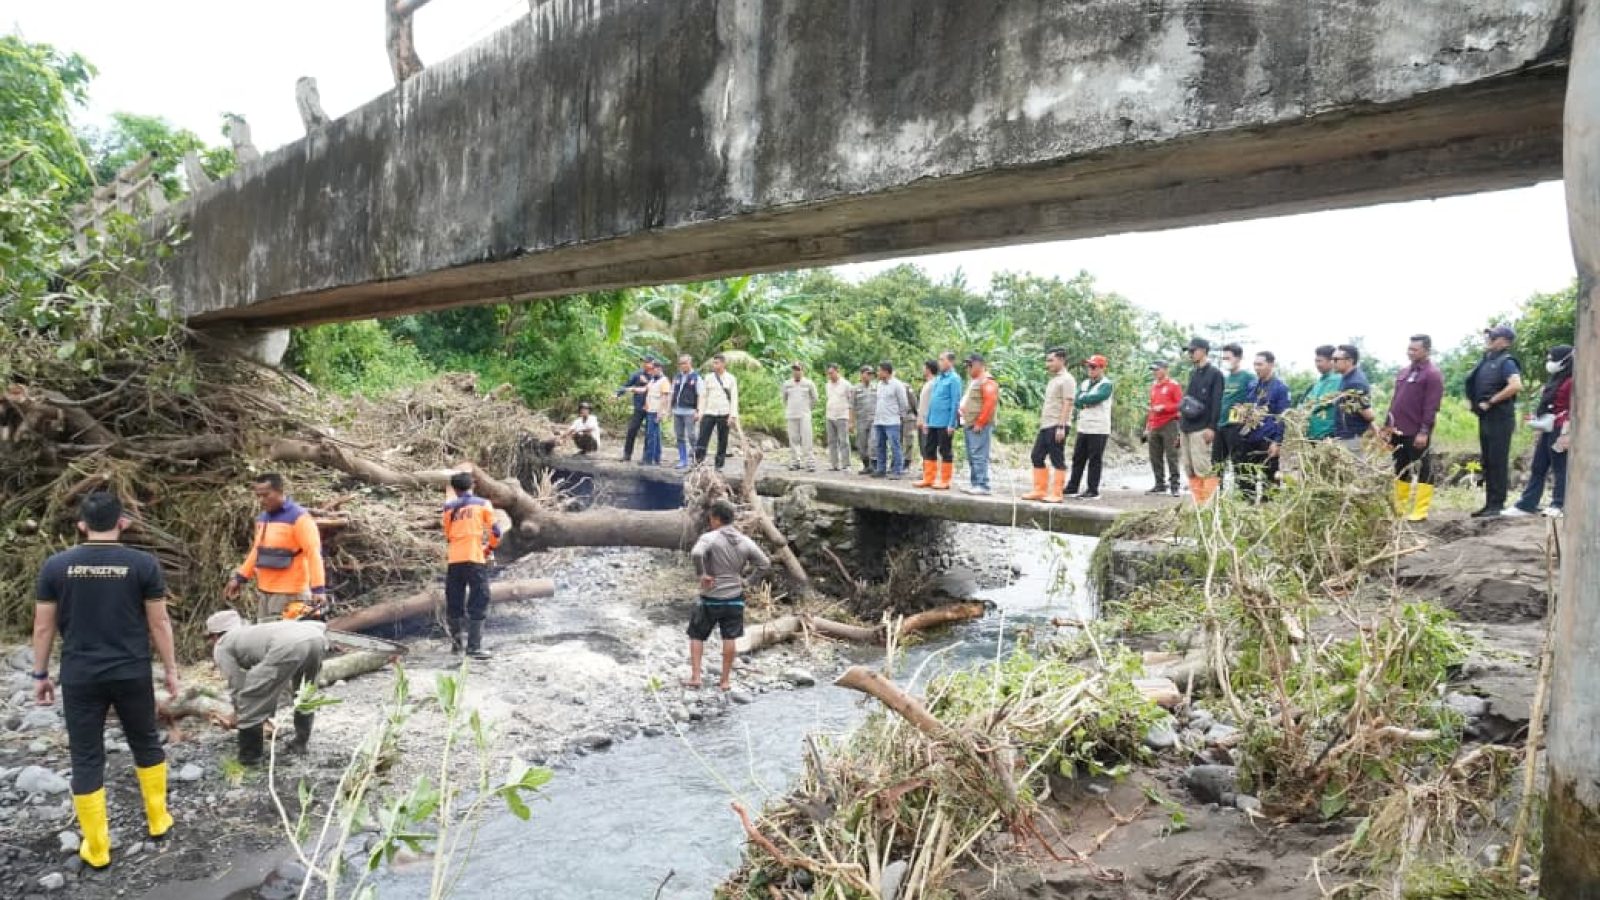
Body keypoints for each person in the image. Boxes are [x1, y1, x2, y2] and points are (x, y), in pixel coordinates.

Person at [32, 492, 178, 870]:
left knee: (86, 757)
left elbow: (43, 625)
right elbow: (159, 622)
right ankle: (158, 820)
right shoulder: (142, 564)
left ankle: (97, 849)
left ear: (81, 524)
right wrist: (172, 671)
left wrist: (40, 674)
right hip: (131, 672)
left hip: (80, 676)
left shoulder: (56, 566)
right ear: (123, 523)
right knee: (145, 742)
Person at [206, 611, 328, 765]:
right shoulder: (252, 631)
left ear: (215, 635)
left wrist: (240, 712)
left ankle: (250, 758)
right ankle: (300, 743)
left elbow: (236, 682)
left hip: (288, 644)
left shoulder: (222, 644)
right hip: (316, 637)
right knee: (305, 692)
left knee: (250, 698)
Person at [686, 499, 771, 691]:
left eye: (711, 518)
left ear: (716, 518)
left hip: (710, 597)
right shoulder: (745, 541)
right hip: (735, 598)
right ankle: (725, 681)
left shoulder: (710, 537)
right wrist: (748, 582)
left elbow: (697, 553)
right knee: (729, 638)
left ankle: (696, 677)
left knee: (697, 636)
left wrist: (703, 575)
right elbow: (765, 563)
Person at [225, 473, 328, 620]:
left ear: (280, 491)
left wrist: (318, 589)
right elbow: (256, 551)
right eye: (258, 496)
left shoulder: (300, 518)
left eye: (266, 495)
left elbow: (314, 554)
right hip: (265, 592)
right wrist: (240, 578)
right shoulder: (263, 519)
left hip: (291, 594)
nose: (261, 500)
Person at [1383, 335, 1445, 522]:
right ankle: (1399, 508)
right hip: (1398, 430)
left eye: (1415, 349)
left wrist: (1424, 431)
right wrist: (1387, 426)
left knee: (1424, 467)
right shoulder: (1403, 372)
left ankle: (1420, 510)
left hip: (1416, 431)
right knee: (1400, 467)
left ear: (1426, 351)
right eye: (1409, 349)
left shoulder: (1432, 374)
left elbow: (1431, 406)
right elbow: (1395, 401)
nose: (1410, 352)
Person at [1465, 325, 1524, 518]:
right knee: (1488, 461)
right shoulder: (1487, 360)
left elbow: (1516, 385)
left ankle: (1497, 504)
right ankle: (1490, 504)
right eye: (1489, 336)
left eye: (1493, 336)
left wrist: (1491, 401)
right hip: (1486, 418)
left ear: (1505, 341)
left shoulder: (1506, 361)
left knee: (1498, 461)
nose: (1489, 339)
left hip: (1500, 417)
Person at [1509, 344, 1573, 518]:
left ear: (1565, 360)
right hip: (1548, 427)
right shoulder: (1555, 378)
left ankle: (1559, 504)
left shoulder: (1572, 381)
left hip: (1562, 428)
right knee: (1539, 466)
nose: (1549, 362)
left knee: (1560, 467)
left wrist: (1567, 433)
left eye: (1552, 358)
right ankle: (1527, 504)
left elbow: (1575, 409)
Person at [442, 471, 501, 658]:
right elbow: (496, 532)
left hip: (454, 561)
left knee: (454, 602)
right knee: (479, 600)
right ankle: (474, 648)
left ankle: (456, 646)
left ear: (454, 489)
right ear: (472, 486)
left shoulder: (448, 507)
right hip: (475, 558)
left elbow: (448, 534)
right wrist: (488, 549)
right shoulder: (483, 504)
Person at [1023, 348, 1076, 503]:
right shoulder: (1053, 379)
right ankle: (1040, 490)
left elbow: (1068, 402)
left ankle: (1057, 493)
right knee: (1036, 456)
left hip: (1057, 425)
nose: (1048, 364)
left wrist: (1061, 426)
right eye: (1047, 360)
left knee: (1057, 458)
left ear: (1061, 360)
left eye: (1051, 360)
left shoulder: (1067, 379)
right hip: (1046, 424)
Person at [1238, 352, 1291, 501]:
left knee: (1270, 479)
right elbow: (1248, 408)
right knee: (1247, 478)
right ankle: (1248, 510)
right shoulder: (1252, 385)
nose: (1256, 368)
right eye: (1255, 364)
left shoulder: (1280, 388)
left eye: (1260, 364)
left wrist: (1277, 442)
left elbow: (1283, 417)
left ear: (1271, 365)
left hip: (1268, 439)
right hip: (1250, 438)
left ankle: (1269, 510)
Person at [1179, 338, 1226, 504]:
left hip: (1202, 427)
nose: (1190, 354)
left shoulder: (1215, 374)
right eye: (1189, 351)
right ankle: (1199, 503)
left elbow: (1217, 402)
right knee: (1189, 467)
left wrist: (1212, 427)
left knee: (1203, 468)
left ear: (1204, 350)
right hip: (1186, 426)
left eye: (1193, 350)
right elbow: (1187, 402)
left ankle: (1210, 505)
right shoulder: (1193, 373)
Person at [1065, 354, 1113, 499]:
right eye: (1089, 366)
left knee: (1095, 459)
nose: (1090, 369)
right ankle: (1073, 486)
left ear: (1101, 368)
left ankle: (1093, 489)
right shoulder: (1085, 383)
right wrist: (1084, 401)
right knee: (1078, 458)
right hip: (1084, 426)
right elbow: (1077, 400)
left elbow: (1096, 398)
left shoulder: (1106, 384)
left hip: (1099, 428)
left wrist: (1084, 400)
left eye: (1093, 367)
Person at [919, 351, 962, 490]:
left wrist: (952, 424)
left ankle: (945, 480)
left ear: (950, 362)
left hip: (945, 422)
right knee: (929, 449)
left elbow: (955, 402)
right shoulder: (938, 379)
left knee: (945, 450)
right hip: (933, 421)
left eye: (942, 359)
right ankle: (928, 478)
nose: (940, 362)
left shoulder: (954, 379)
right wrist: (927, 421)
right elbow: (932, 401)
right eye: (939, 359)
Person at [959, 354, 1001, 495]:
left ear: (980, 365)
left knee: (978, 455)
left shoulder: (987, 381)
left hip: (979, 425)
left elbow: (990, 403)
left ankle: (982, 485)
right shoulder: (975, 381)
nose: (968, 368)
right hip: (969, 423)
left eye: (971, 365)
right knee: (972, 455)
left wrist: (980, 422)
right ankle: (975, 483)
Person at [1214, 343, 1253, 490]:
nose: (1225, 361)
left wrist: (1246, 418)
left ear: (1239, 358)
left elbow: (1254, 399)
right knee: (1217, 462)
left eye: (1228, 358)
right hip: (1221, 425)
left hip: (1236, 425)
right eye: (1223, 358)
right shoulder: (1226, 378)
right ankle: (1218, 494)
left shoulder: (1247, 377)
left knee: (1239, 462)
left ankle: (1244, 495)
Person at [695, 353, 740, 470]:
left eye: (717, 363)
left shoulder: (731, 378)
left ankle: (719, 465)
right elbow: (703, 396)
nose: (714, 365)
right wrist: (700, 411)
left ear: (723, 364)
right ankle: (698, 461)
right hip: (709, 411)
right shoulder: (708, 377)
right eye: (713, 363)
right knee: (703, 437)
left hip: (724, 412)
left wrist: (733, 415)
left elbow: (734, 398)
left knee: (723, 439)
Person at [1145, 360, 1182, 496]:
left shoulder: (1173, 385)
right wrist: (1147, 426)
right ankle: (1159, 484)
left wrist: (1165, 408)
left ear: (1165, 369)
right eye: (1153, 370)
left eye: (1157, 369)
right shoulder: (1154, 386)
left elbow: (1180, 404)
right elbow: (1151, 406)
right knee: (1155, 456)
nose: (1155, 372)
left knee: (1172, 455)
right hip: (1155, 424)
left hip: (1170, 423)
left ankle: (1175, 486)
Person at [1331, 345, 1376, 452]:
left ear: (1349, 361)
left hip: (1353, 437)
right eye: (1332, 359)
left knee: (1355, 467)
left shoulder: (1355, 383)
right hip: (1347, 436)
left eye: (1336, 359)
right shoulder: (1347, 378)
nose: (1333, 362)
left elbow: (1369, 415)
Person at [872, 361, 911, 479]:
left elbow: (904, 403)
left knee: (895, 446)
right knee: (879, 445)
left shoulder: (897, 385)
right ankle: (881, 469)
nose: (878, 373)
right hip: (879, 420)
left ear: (886, 371)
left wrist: (900, 416)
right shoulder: (879, 385)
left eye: (879, 370)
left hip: (892, 421)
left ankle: (897, 470)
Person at [781, 363, 819, 471]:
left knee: (807, 439)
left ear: (802, 371)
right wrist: (790, 408)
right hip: (791, 415)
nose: (796, 372)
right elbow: (784, 398)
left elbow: (815, 399)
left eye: (798, 369)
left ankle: (810, 462)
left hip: (804, 415)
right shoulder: (787, 384)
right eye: (794, 370)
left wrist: (807, 409)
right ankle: (795, 461)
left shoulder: (809, 383)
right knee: (793, 439)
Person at [615, 356, 653, 463]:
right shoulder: (637, 374)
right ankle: (627, 455)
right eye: (644, 362)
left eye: (648, 362)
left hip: (652, 408)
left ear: (652, 363)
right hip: (639, 407)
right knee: (632, 429)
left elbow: (658, 387)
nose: (645, 364)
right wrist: (617, 393)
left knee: (649, 433)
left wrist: (646, 382)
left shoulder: (656, 375)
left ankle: (646, 457)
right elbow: (626, 385)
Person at [1303, 346, 1343, 441]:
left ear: (1331, 361)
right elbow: (1307, 401)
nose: (1317, 364)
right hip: (1313, 432)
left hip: (1326, 433)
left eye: (1319, 361)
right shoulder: (1319, 381)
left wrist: (1306, 410)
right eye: (1315, 361)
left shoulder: (1336, 379)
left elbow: (1324, 401)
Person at [670, 355, 701, 470]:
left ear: (690, 363)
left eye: (685, 363)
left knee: (691, 435)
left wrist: (698, 411)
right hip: (677, 410)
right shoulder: (677, 377)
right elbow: (672, 392)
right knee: (679, 436)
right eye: (681, 363)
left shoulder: (696, 377)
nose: (683, 365)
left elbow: (700, 395)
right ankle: (683, 460)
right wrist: (670, 408)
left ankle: (696, 457)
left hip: (690, 411)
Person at [823, 364, 855, 471]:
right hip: (830, 415)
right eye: (828, 373)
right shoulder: (827, 385)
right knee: (832, 441)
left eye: (832, 373)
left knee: (844, 441)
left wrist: (851, 419)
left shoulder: (846, 385)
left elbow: (851, 402)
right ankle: (834, 464)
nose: (830, 375)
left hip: (842, 415)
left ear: (837, 371)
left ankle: (846, 464)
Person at [911, 361, 938, 485]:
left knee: (928, 447)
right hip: (922, 420)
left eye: (924, 368)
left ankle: (930, 472)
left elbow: (932, 404)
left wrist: (927, 420)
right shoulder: (927, 383)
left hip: (928, 421)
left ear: (928, 369)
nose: (922, 370)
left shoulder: (934, 384)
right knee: (923, 447)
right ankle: (926, 470)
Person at [641, 361, 671, 466]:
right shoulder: (653, 380)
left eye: (653, 370)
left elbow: (664, 398)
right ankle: (656, 458)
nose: (651, 372)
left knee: (651, 435)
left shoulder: (664, 381)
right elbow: (647, 391)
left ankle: (648, 459)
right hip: (650, 409)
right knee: (656, 436)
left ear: (658, 369)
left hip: (655, 411)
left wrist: (661, 413)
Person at [852, 365, 879, 475]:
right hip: (861, 419)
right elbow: (852, 406)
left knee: (873, 443)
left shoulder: (877, 387)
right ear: (861, 374)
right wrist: (851, 422)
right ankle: (866, 465)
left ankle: (874, 466)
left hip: (874, 419)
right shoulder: (855, 389)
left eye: (871, 374)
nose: (869, 376)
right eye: (867, 373)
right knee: (861, 444)